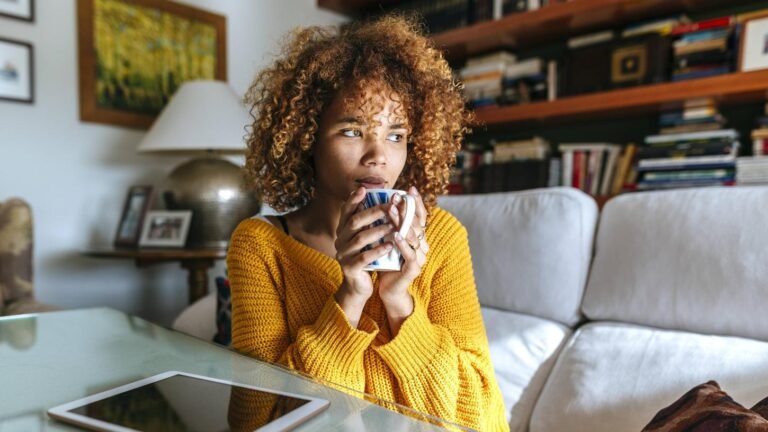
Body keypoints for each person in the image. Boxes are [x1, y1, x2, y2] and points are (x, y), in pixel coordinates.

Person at [227, 15, 508, 431]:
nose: (378, 155)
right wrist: (351, 295)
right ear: (307, 137)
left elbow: (481, 417)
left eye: (396, 135)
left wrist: (399, 300)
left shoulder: (443, 236)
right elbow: (255, 420)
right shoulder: (261, 245)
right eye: (352, 130)